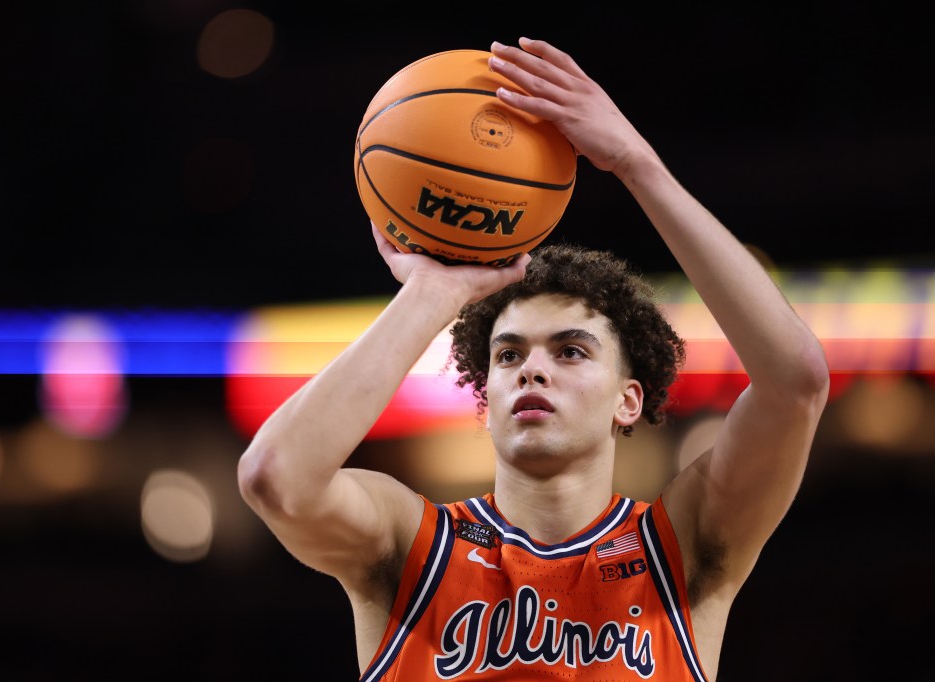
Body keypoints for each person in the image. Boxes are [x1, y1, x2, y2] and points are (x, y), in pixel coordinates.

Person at [237, 37, 829, 681]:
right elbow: (276, 475)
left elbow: (795, 382)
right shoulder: (410, 545)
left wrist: (638, 165)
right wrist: (434, 293)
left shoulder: (682, 546)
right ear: (485, 396)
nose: (532, 369)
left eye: (571, 350)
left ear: (628, 398)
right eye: (509, 353)